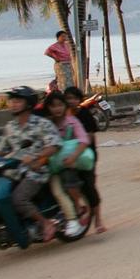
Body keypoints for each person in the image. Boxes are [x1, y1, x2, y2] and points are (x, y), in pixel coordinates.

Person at [0, 86, 61, 241]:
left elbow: (54, 145)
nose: (13, 104)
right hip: (14, 171)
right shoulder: (10, 127)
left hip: (36, 170)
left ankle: (45, 223)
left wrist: (36, 156)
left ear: (28, 103)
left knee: (19, 199)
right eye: (11, 101)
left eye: (17, 101)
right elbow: (3, 150)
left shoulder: (42, 124)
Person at [41, 92, 90, 237]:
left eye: (60, 105)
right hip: (51, 164)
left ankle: (74, 214)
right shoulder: (46, 124)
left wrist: (73, 157)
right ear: (48, 108)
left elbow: (84, 140)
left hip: (69, 163)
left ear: (65, 106)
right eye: (53, 106)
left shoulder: (71, 121)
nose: (57, 109)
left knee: (66, 185)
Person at [63, 87, 105, 233]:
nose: (71, 101)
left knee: (89, 186)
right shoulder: (63, 116)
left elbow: (90, 137)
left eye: (74, 98)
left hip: (86, 156)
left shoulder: (84, 114)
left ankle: (98, 220)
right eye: (68, 98)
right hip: (68, 156)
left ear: (79, 99)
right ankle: (79, 210)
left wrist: (76, 142)